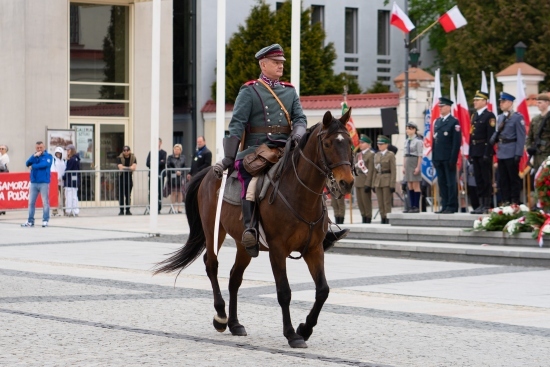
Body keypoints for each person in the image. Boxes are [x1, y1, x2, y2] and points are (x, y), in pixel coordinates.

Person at [212, 43, 347, 257]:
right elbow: (237, 124)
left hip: (286, 147)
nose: (280, 66)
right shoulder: (250, 90)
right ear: (263, 64)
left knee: (311, 177)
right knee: (252, 181)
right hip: (256, 149)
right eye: (276, 62)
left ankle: (323, 228)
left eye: (282, 62)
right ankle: (250, 228)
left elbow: (300, 118)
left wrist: (298, 134)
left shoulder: (289, 91)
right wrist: (229, 156)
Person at [490, 92, 526, 205]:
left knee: (513, 178)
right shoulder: (500, 118)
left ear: (510, 103)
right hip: (501, 151)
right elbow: (497, 134)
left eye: (503, 101)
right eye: (500, 101)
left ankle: (514, 200)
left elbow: (521, 137)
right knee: (503, 179)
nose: (501, 103)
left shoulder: (517, 117)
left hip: (512, 150)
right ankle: (505, 200)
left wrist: (518, 153)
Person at [432, 97, 461, 213]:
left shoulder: (454, 122)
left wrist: (453, 159)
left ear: (449, 107)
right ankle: (444, 205)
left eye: (442, 106)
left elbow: (456, 142)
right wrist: (434, 157)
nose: (440, 109)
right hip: (438, 157)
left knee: (450, 182)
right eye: (439, 106)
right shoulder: (437, 121)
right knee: (442, 183)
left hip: (448, 157)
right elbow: (435, 141)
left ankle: (452, 205)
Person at [469, 90, 496, 214]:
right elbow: (471, 135)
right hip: (475, 150)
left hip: (484, 149)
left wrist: (487, 153)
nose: (474, 102)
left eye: (477, 100)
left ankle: (486, 204)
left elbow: (491, 137)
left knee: (486, 178)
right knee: (478, 178)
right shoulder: (474, 116)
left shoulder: (489, 116)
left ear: (484, 101)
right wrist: (470, 152)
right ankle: (480, 204)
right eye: (474, 100)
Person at [21, 141, 52, 227]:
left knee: (45, 202)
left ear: (44, 147)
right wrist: (33, 156)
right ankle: (30, 221)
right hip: (34, 182)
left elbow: (45, 164)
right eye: (37, 148)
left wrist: (33, 166)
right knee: (31, 202)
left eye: (41, 148)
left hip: (43, 182)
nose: (39, 149)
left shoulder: (48, 156)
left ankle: (45, 220)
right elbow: (27, 163)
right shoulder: (34, 156)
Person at [373, 136, 396, 224]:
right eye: (378, 144)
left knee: (386, 201)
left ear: (386, 145)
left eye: (381, 144)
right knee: (380, 202)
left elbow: (393, 170)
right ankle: (382, 217)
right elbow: (375, 170)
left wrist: (392, 184)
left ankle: (387, 218)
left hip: (387, 179)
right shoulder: (377, 155)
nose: (379, 146)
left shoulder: (390, 155)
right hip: (378, 180)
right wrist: (373, 183)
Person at [402, 122, 424, 213]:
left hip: (414, 161)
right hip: (408, 162)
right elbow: (404, 155)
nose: (407, 130)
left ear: (414, 130)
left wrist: (418, 167)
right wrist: (403, 167)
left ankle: (416, 206)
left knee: (415, 185)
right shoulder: (406, 141)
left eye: (409, 128)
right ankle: (411, 206)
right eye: (407, 128)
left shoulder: (418, 141)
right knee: (409, 185)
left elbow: (420, 155)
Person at [526, 94, 550, 176]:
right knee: (537, 179)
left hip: (547, 155)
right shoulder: (535, 119)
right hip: (536, 155)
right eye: (537, 102)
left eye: (540, 102)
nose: (537, 104)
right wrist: (529, 148)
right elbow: (529, 137)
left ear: (547, 103)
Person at [354, 135, 375, 223]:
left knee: (366, 201)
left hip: (365, 180)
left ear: (368, 144)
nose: (361, 144)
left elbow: (371, 170)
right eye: (360, 143)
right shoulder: (358, 155)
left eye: (363, 143)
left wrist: (368, 183)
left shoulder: (371, 154)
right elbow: (355, 167)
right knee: (360, 202)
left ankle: (368, 217)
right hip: (358, 180)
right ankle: (363, 216)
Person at [146, 138, 167, 214]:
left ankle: (158, 207)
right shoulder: (151, 152)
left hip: (160, 175)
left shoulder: (163, 153)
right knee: (151, 191)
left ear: (161, 143)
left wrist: (154, 163)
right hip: (152, 175)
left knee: (159, 191)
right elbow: (147, 163)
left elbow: (163, 162)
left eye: (157, 142)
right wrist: (158, 162)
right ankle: (151, 206)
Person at [117, 145, 137, 215]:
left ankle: (128, 210)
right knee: (121, 195)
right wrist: (129, 168)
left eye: (127, 150)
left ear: (129, 151)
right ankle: (121, 210)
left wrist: (125, 168)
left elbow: (134, 167)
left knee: (128, 195)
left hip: (129, 178)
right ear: (123, 151)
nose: (126, 152)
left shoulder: (133, 157)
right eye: (124, 150)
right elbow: (120, 167)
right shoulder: (120, 157)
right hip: (121, 177)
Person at [166, 144, 186, 213]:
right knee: (173, 192)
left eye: (178, 149)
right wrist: (175, 171)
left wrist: (181, 172)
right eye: (175, 149)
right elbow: (168, 165)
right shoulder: (170, 157)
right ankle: (173, 206)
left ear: (180, 150)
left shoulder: (183, 157)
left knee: (180, 192)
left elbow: (184, 166)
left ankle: (179, 207)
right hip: (173, 177)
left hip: (180, 177)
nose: (176, 150)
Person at [64, 144, 81, 216]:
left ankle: (69, 210)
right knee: (74, 196)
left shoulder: (72, 159)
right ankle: (75, 211)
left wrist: (64, 177)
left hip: (70, 180)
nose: (67, 151)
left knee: (69, 195)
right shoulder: (76, 158)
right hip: (75, 179)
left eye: (69, 150)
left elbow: (68, 169)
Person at [50, 147, 66, 216]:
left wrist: (63, 177)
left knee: (63, 196)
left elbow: (65, 170)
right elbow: (53, 169)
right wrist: (55, 177)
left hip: (62, 181)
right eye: (57, 153)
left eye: (59, 153)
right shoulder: (54, 160)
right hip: (55, 181)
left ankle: (65, 210)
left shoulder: (64, 161)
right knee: (55, 196)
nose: (58, 154)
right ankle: (54, 210)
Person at [0, 145, 9, 215]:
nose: (1, 150)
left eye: (2, 149)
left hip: (3, 173)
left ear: (5, 150)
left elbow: (2, 166)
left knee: (2, 191)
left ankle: (2, 208)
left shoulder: (5, 157)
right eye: (0, 148)